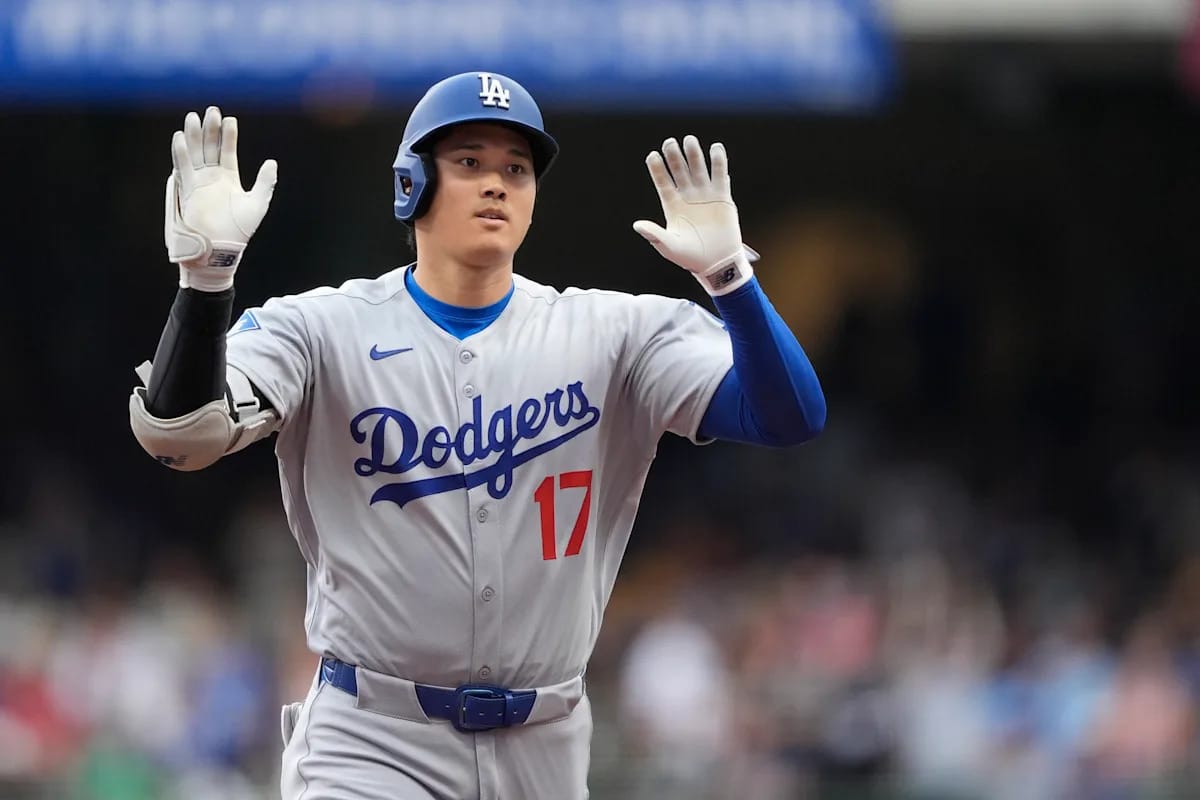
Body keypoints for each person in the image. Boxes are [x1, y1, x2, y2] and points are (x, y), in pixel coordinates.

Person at [128, 70, 826, 800]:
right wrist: (206, 283)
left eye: (515, 169)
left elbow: (789, 418)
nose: (496, 183)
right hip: (373, 740)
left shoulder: (613, 333)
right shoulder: (323, 327)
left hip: (545, 747)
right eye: (469, 163)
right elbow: (179, 434)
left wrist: (730, 280)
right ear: (412, 185)